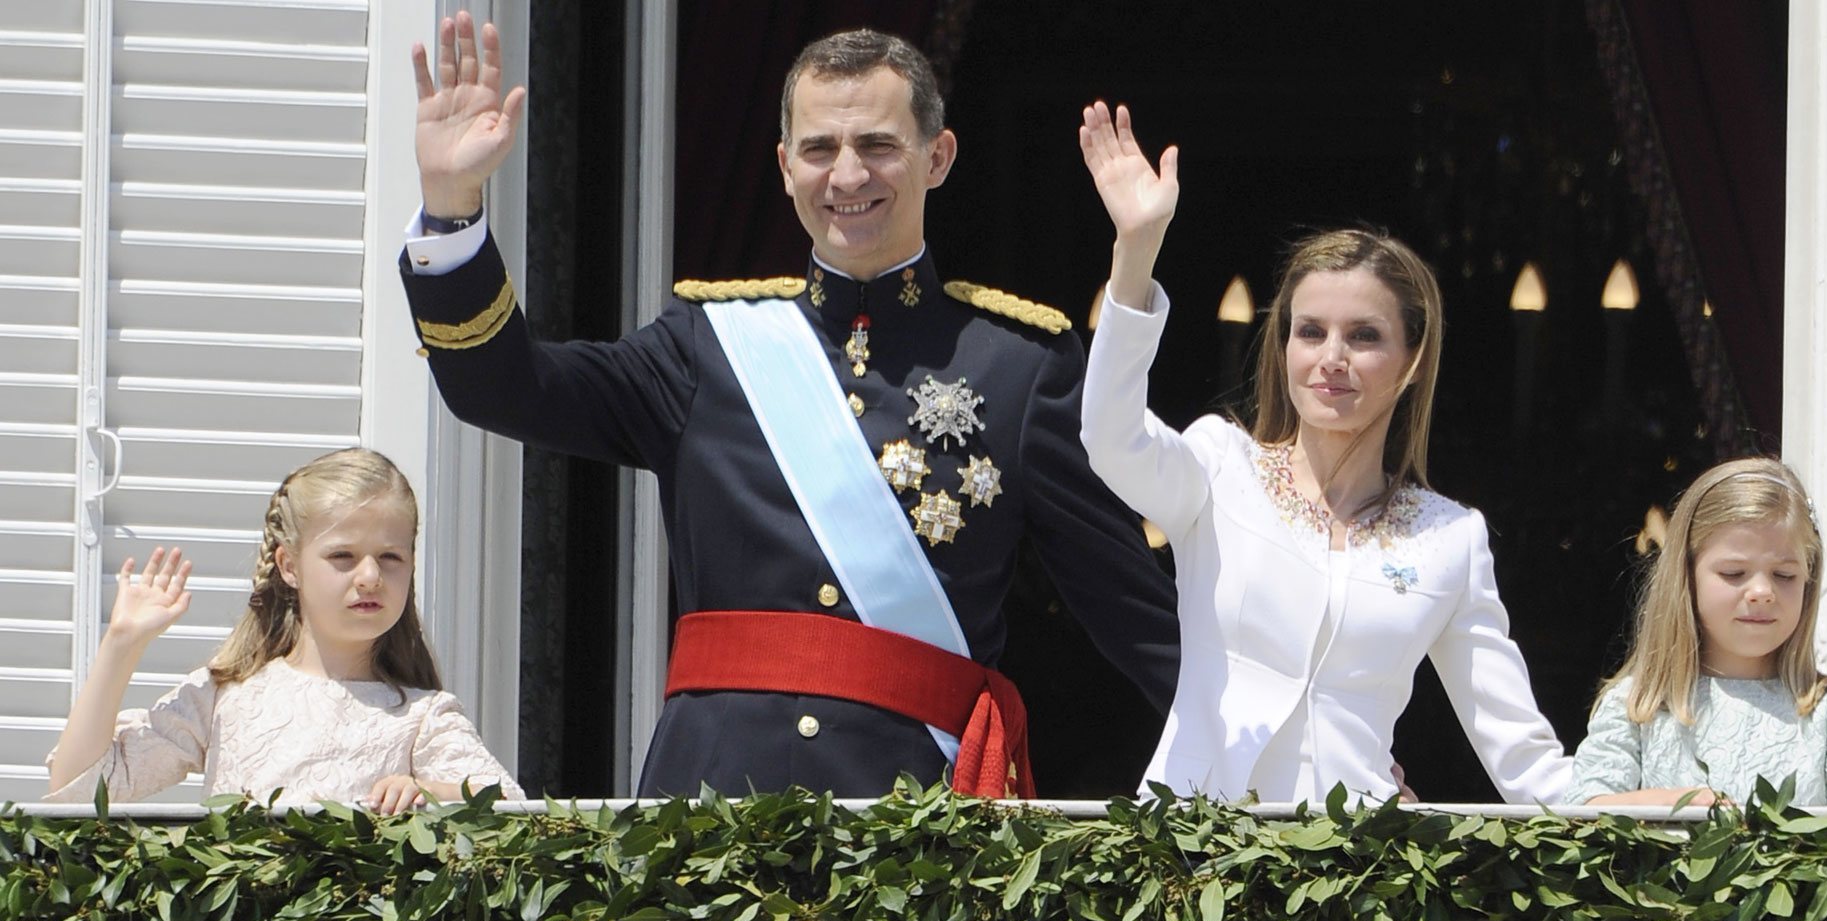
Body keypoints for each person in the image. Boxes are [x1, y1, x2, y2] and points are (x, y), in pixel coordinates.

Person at [400, 15, 1177, 798]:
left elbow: (1135, 616)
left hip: (918, 832)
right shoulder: (705, 347)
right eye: (819, 149)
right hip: (707, 818)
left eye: (877, 145)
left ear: (936, 158)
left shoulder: (1019, 369)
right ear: (782, 166)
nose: (846, 177)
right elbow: (503, 387)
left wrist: (1272, 794)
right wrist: (452, 205)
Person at [1075, 103, 1571, 805]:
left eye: (1364, 336)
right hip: (1191, 865)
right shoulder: (1221, 467)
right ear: (1283, 348)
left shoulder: (1451, 539)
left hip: (1357, 876)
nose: (1331, 359)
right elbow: (1110, 436)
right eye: (1310, 332)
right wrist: (1136, 252)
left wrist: (1644, 814)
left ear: (1413, 361)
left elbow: (1525, 760)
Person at [45, 448, 523, 812]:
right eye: (343, 556)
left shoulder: (424, 716)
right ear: (289, 566)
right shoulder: (222, 698)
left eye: (391, 557)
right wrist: (121, 646)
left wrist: (428, 792)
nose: (371, 576)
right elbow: (81, 790)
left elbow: (514, 814)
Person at [1564, 458, 1827, 808]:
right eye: (1734, 573)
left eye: (1784, 575)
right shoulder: (1639, 704)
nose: (1762, 591)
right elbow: (1585, 812)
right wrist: (1675, 807)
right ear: (1686, 577)